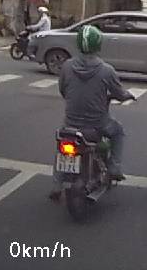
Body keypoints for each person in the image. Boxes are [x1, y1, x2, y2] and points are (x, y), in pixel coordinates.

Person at [50, 25, 134, 200]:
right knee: (118, 132)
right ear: (98, 45)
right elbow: (119, 94)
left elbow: (63, 90)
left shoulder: (66, 66)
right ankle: (114, 168)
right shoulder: (106, 70)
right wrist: (127, 95)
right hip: (97, 123)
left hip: (71, 122)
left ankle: (56, 185)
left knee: (62, 147)